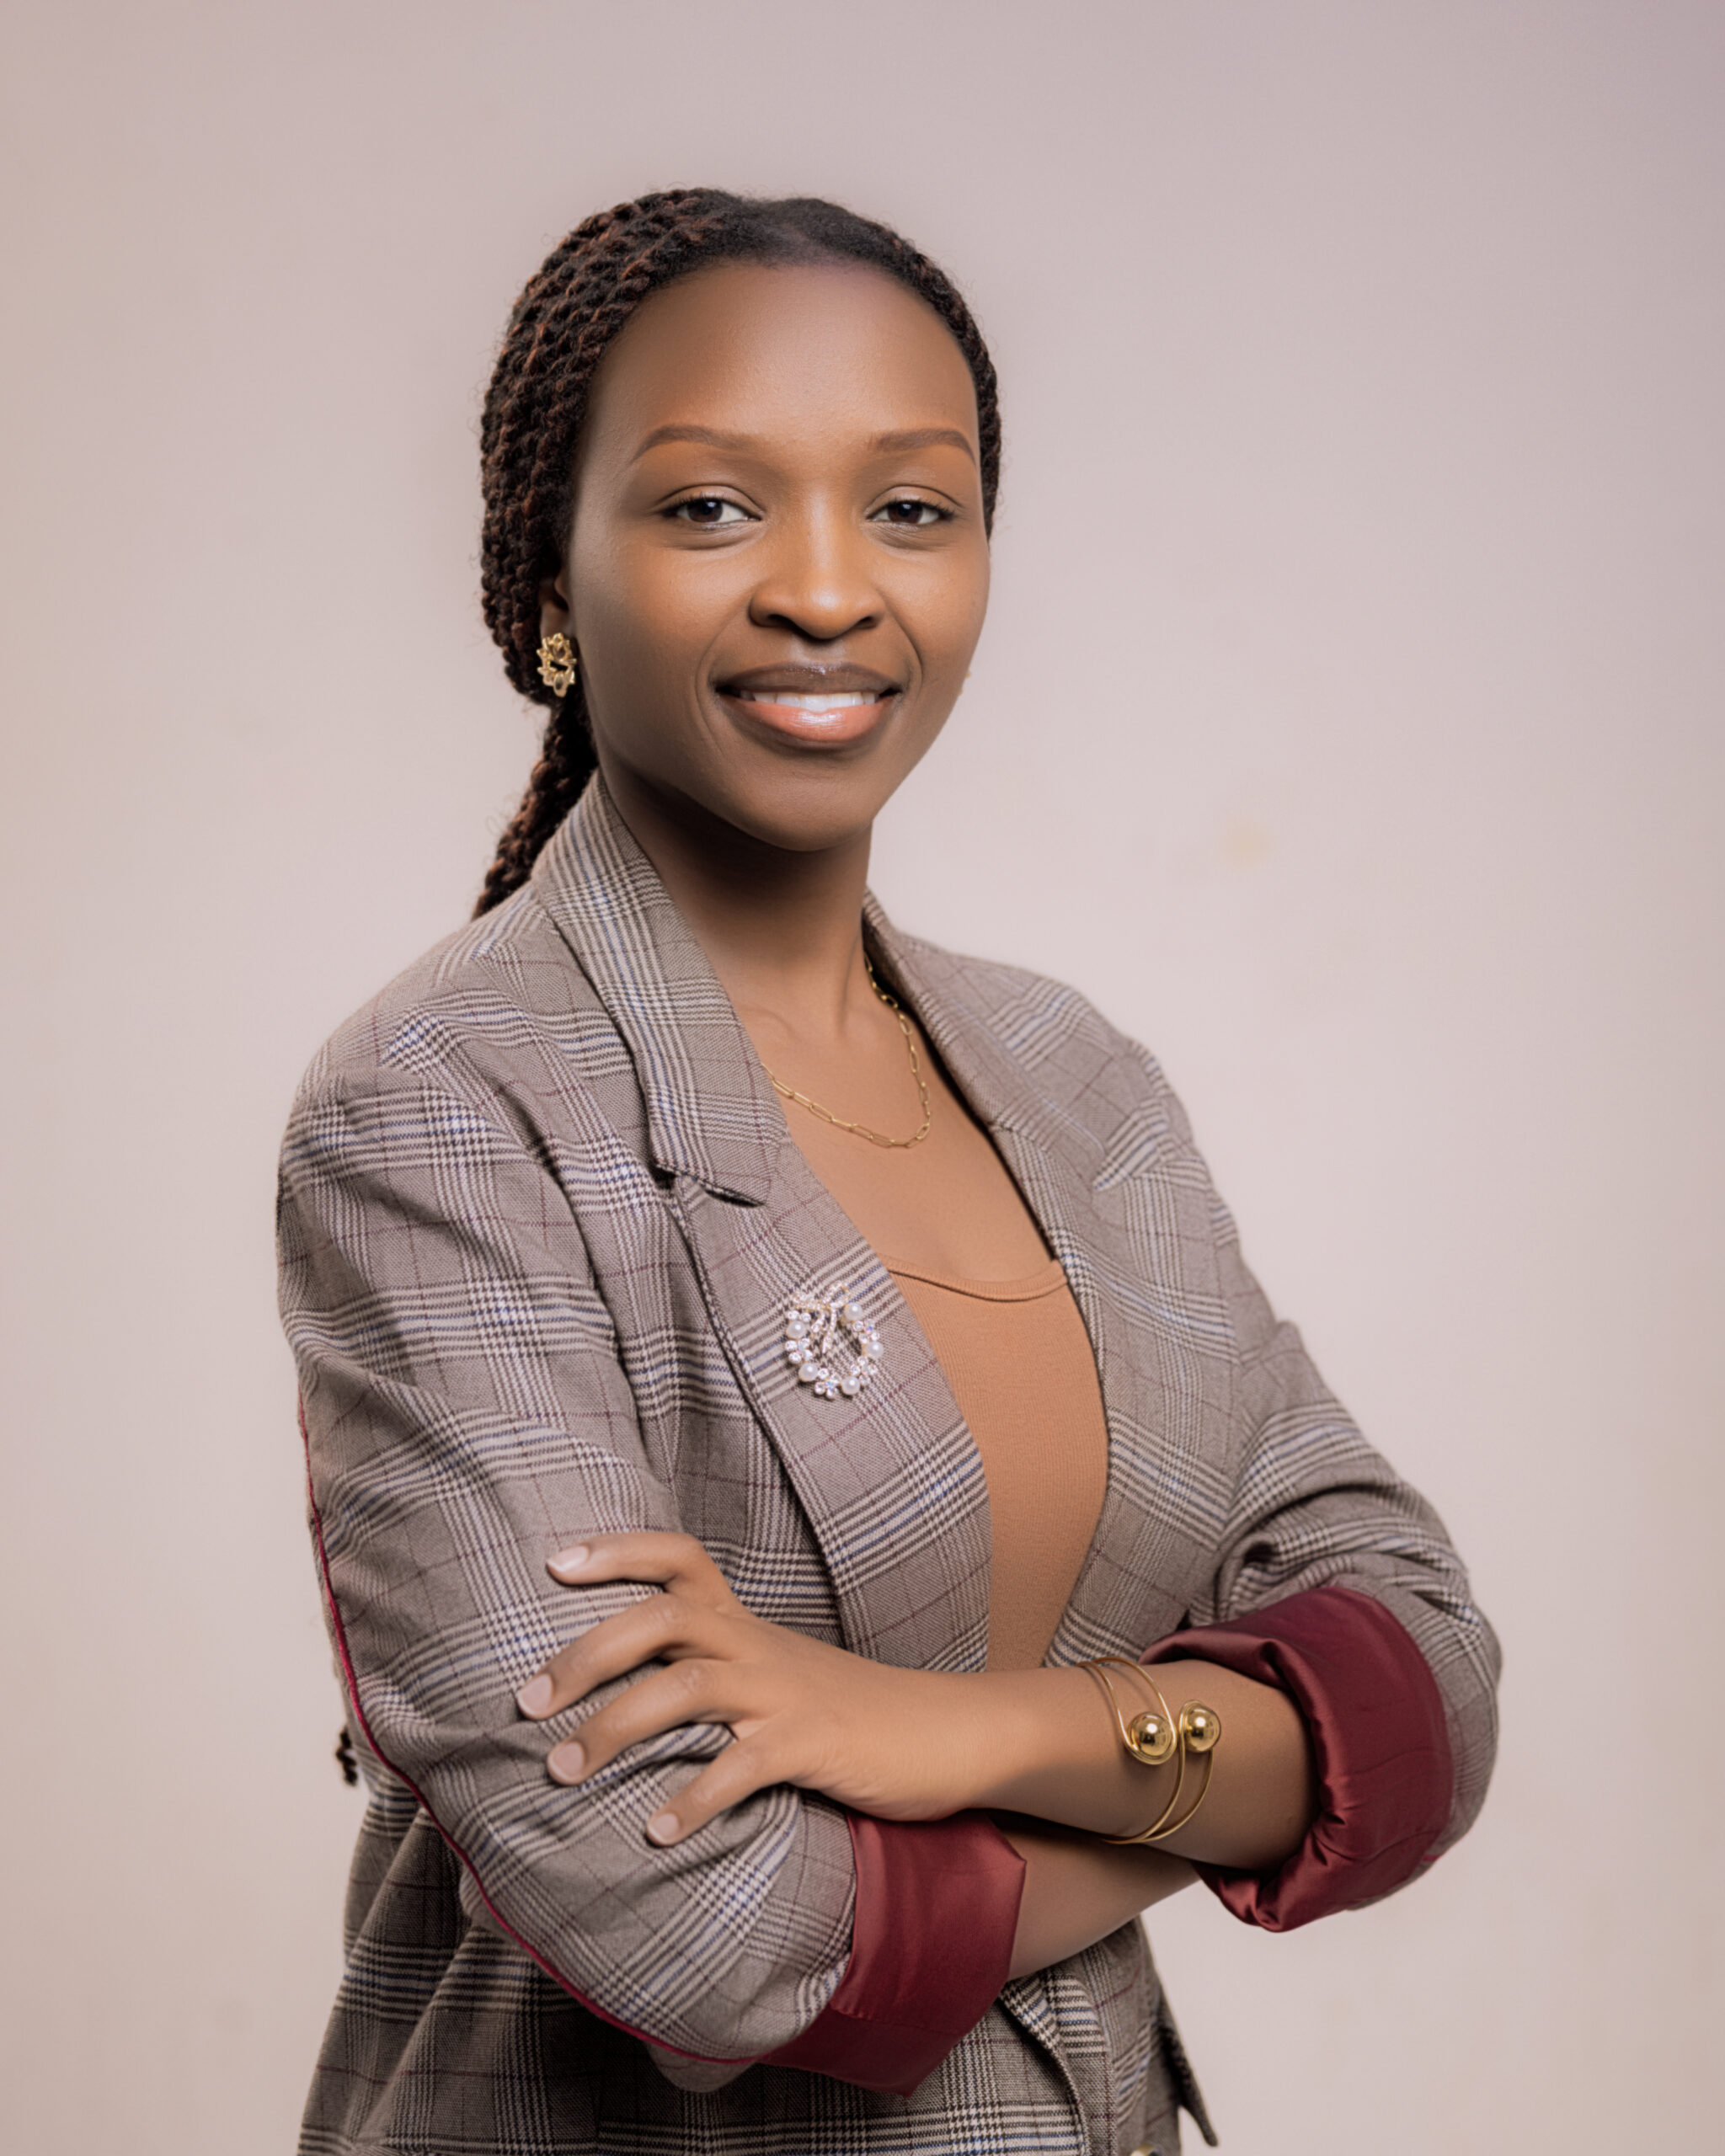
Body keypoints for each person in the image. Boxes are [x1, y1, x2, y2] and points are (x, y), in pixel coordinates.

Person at [278, 189, 1499, 2156]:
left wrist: (949, 1730)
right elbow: (705, 1924)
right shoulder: (443, 1107)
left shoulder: (1075, 1078)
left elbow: (1426, 1687)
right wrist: (1221, 1786)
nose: (829, 589)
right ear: (546, 579)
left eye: (911, 506)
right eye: (710, 505)